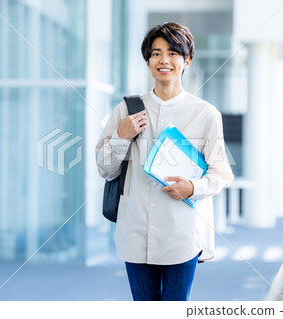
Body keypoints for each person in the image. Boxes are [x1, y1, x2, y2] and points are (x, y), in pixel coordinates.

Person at [95, 22, 234, 301]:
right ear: (148, 61)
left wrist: (194, 187)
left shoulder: (205, 114)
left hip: (181, 234)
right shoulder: (126, 109)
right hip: (135, 232)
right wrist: (121, 136)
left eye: (172, 53)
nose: (164, 60)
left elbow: (221, 172)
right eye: (156, 53)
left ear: (187, 60)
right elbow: (105, 169)